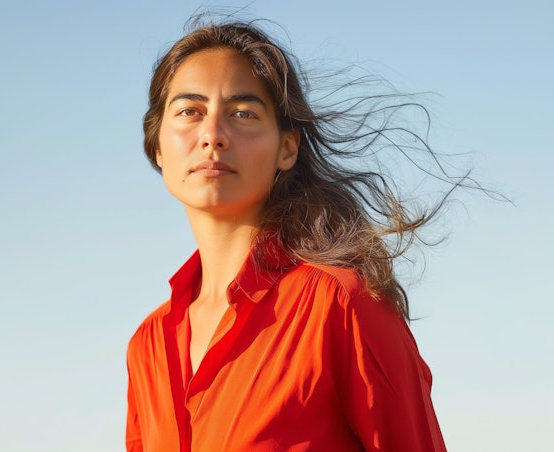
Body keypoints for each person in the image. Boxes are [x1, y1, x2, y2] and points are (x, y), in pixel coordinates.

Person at [126, 15, 450, 452]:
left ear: (287, 148)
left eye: (243, 113)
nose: (213, 135)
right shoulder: (147, 344)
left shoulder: (342, 303)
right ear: (158, 147)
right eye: (189, 111)